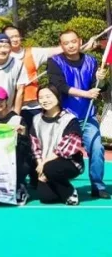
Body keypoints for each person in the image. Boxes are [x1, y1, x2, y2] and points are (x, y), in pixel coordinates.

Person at [47, 29, 109, 199]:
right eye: (66, 43)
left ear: (80, 41)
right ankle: (57, 184)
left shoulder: (91, 61)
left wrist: (101, 78)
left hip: (87, 116)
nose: (70, 45)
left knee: (97, 148)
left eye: (73, 41)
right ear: (61, 45)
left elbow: (100, 87)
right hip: (64, 118)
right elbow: (59, 86)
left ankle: (98, 185)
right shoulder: (54, 62)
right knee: (58, 152)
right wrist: (85, 94)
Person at [30, 85, 85, 205]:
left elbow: (68, 147)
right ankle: (54, 181)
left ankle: (69, 192)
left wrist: (44, 164)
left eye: (48, 96)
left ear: (58, 97)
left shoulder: (69, 119)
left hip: (69, 162)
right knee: (46, 197)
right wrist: (40, 167)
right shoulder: (36, 119)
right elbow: (35, 146)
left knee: (51, 168)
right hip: (45, 165)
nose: (45, 100)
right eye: (41, 98)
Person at [0, 86, 30, 205]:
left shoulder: (17, 119)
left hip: (14, 158)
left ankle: (20, 185)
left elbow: (26, 147)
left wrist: (23, 135)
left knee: (22, 160)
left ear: (6, 100)